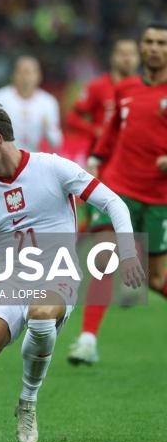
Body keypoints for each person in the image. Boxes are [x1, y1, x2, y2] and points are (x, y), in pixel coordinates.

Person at [0, 100, 144, 442]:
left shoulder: (54, 168)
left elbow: (114, 203)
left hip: (57, 274)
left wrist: (126, 252)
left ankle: (28, 402)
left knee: (40, 312)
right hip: (10, 280)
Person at [68, 23, 167, 365]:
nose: (153, 48)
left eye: (161, 43)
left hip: (158, 198)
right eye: (149, 42)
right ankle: (87, 340)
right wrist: (95, 160)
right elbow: (110, 134)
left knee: (156, 279)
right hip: (119, 188)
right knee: (104, 259)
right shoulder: (125, 88)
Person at [0, 56, 63, 152]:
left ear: (39, 76)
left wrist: (48, 128)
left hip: (34, 158)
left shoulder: (48, 102)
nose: (25, 77)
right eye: (22, 72)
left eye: (29, 73)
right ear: (13, 75)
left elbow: (56, 142)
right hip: (3, 158)